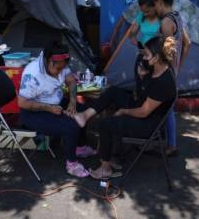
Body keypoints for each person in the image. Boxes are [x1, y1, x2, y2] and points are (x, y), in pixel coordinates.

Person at [73, 36, 177, 179]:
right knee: (113, 92)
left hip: (149, 124)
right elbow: (139, 96)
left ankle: (106, 168)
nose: (144, 58)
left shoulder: (164, 81)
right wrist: (141, 79)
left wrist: (123, 111)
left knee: (105, 124)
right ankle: (85, 115)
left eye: (147, 55)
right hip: (143, 108)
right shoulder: (155, 68)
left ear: (157, 57)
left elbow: (143, 112)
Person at [18, 43, 95, 178]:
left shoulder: (60, 64)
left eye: (63, 68)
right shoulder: (33, 74)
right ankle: (71, 164)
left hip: (55, 103)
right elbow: (22, 103)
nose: (60, 71)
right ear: (48, 61)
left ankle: (79, 147)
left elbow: (71, 81)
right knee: (70, 126)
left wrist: (72, 102)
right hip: (33, 112)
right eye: (58, 68)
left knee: (83, 110)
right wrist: (49, 108)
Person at [154, 0, 191, 156]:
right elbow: (187, 43)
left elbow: (167, 53)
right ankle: (170, 143)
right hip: (172, 72)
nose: (155, 8)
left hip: (166, 72)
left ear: (161, 1)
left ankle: (170, 146)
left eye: (155, 4)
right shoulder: (177, 17)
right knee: (168, 109)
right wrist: (179, 67)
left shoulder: (166, 22)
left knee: (166, 109)